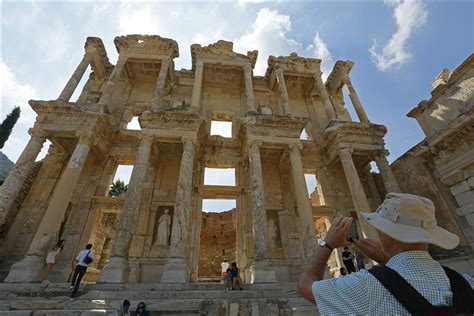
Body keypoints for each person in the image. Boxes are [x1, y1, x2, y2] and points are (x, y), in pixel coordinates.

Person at [298, 193, 474, 315]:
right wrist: (388, 264)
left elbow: (306, 286)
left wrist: (327, 243)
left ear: (387, 233)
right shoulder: (467, 281)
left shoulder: (366, 286)